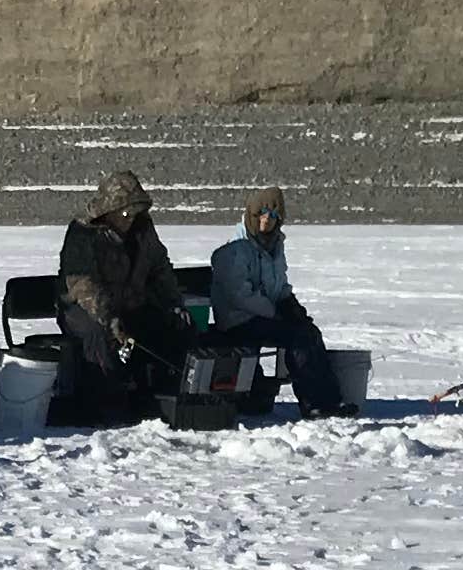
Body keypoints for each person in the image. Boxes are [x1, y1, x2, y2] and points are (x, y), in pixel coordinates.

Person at [58, 168, 192, 409]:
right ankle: (105, 402)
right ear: (108, 212)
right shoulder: (84, 233)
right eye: (125, 213)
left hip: (130, 303)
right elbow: (83, 285)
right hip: (84, 310)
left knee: (170, 326)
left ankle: (165, 396)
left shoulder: (143, 230)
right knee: (97, 334)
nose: (129, 219)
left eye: (134, 212)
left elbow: (159, 268)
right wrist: (109, 319)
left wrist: (174, 303)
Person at [209, 189, 346, 416]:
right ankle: (313, 402)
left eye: (273, 215)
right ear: (252, 215)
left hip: (263, 316)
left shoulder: (273, 247)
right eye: (262, 213)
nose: (266, 220)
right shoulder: (234, 251)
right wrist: (274, 312)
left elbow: (278, 284)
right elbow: (239, 296)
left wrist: (290, 304)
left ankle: (330, 400)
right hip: (239, 321)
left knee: (309, 331)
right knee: (296, 337)